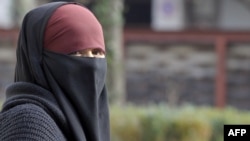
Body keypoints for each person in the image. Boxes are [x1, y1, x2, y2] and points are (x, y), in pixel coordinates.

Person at [0, 2, 110, 141]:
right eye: (76, 52)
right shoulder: (29, 126)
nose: (91, 64)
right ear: (38, 60)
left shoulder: (73, 125)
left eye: (97, 52)